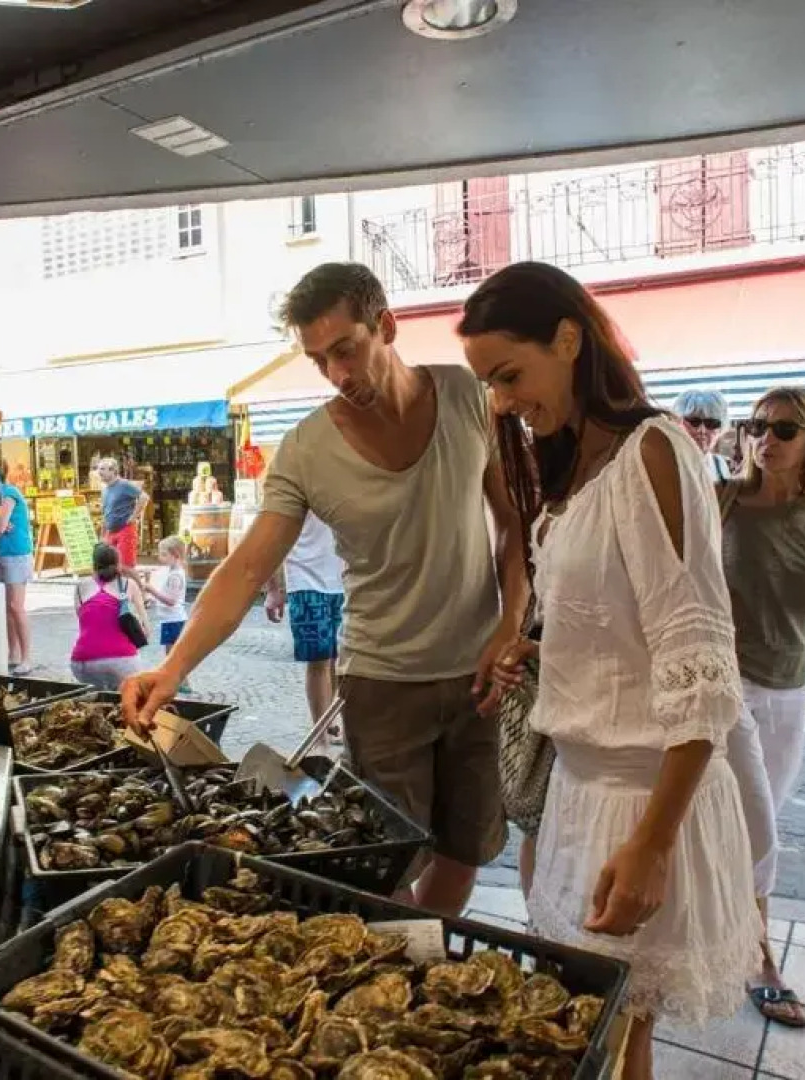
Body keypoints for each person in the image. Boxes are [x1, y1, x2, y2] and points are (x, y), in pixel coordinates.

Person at [122, 262, 529, 918]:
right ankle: (404, 956)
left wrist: (510, 626)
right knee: (383, 864)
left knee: (466, 849)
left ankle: (429, 951)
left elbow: (515, 523)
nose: (337, 374)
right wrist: (173, 667)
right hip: (380, 683)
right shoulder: (306, 449)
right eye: (318, 361)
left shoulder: (467, 396)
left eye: (346, 350)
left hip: (477, 678)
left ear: (386, 326)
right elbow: (246, 569)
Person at [469, 262, 756, 1080]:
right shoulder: (576, 466)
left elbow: (702, 671)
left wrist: (653, 844)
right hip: (579, 795)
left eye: (509, 375)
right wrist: (546, 650)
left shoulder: (653, 452)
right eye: (490, 384)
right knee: (602, 1036)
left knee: (613, 1035)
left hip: (639, 803)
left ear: (568, 339)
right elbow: (619, 621)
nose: (501, 401)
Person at [721, 387, 805, 1028]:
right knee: (758, 830)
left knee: (757, 821)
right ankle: (760, 959)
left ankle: (727, 934)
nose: (764, 440)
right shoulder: (722, 500)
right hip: (726, 684)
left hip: (789, 684)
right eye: (756, 427)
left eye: (781, 430)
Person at [266, 512, 347, 731]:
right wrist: (273, 589)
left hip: (344, 580)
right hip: (305, 581)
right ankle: (320, 737)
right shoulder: (298, 489)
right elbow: (274, 534)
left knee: (337, 657)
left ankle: (328, 719)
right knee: (319, 658)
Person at [70, 544, 149, 690]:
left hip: (83, 661)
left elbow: (83, 621)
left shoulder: (81, 587)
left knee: (97, 696)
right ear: (118, 563)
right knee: (130, 693)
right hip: (123, 660)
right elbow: (146, 630)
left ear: (94, 564)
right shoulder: (129, 584)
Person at [0, 470, 35, 675]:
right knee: (8, 608)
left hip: (16, 554)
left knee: (16, 606)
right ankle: (13, 655)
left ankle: (26, 658)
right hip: (1, 555)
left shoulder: (9, 493)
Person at [674, 388, 733, 482]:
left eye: (711, 423)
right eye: (694, 422)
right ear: (678, 424)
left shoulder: (721, 464)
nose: (702, 430)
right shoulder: (669, 464)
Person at [97, 458, 146, 569]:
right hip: (110, 531)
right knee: (110, 565)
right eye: (99, 469)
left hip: (125, 529)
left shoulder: (124, 485)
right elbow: (105, 512)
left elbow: (143, 497)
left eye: (102, 469)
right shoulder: (105, 489)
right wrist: (103, 535)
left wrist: (134, 516)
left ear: (113, 470)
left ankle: (137, 581)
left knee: (125, 566)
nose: (99, 472)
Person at [145, 536, 190, 654]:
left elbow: (171, 601)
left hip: (173, 620)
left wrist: (152, 591)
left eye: (164, 555)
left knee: (171, 655)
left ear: (176, 555)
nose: (160, 558)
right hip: (170, 620)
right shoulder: (171, 572)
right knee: (171, 653)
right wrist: (153, 599)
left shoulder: (175, 576)